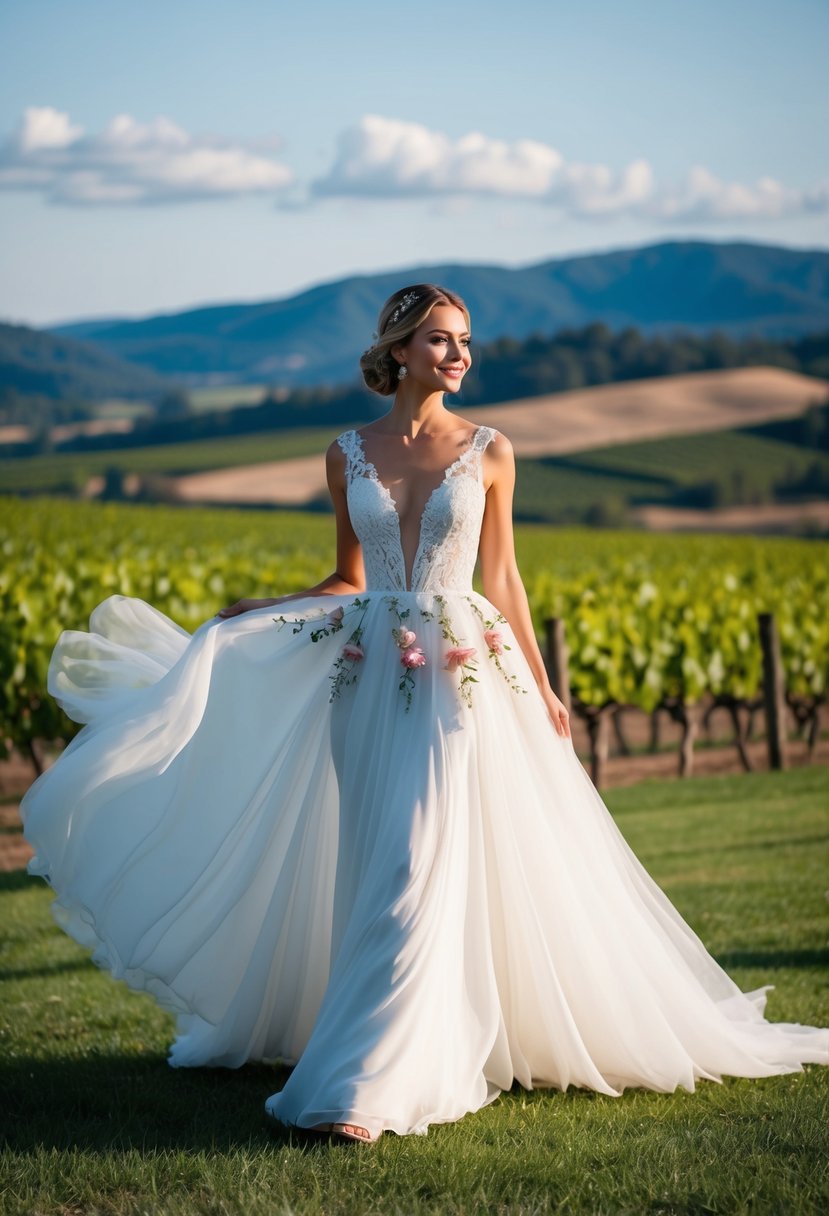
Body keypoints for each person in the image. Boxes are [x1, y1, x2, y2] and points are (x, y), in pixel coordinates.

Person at [20, 284, 829, 1147]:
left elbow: (503, 578)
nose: (458, 356)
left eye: (465, 342)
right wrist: (261, 608)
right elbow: (350, 579)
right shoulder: (345, 453)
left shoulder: (490, 450)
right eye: (440, 341)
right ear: (399, 351)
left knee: (415, 862)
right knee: (378, 863)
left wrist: (545, 682)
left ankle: (370, 1085)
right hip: (365, 680)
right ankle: (393, 1037)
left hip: (461, 677)